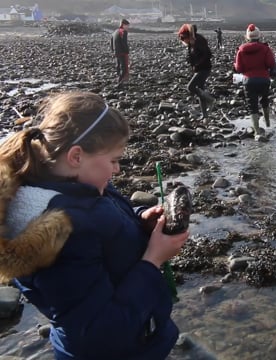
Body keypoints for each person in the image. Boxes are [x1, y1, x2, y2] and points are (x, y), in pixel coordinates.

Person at [0, 91, 189, 360]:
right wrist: (153, 260)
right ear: (76, 156)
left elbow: (106, 221)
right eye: (113, 160)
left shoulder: (76, 188)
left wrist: (140, 219)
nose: (118, 170)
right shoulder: (61, 233)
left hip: (141, 337)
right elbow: (98, 333)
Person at [234, 24, 276, 138]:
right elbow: (271, 64)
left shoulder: (241, 50)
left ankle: (257, 132)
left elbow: (239, 69)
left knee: (252, 105)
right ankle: (267, 123)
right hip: (263, 79)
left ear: (247, 37)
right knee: (264, 100)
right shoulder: (265, 48)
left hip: (249, 80)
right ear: (259, 36)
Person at [178, 23, 214, 119]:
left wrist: (197, 64)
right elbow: (191, 55)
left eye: (183, 38)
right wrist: (190, 61)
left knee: (190, 87)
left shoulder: (199, 40)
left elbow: (207, 54)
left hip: (204, 68)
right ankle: (205, 116)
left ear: (188, 35)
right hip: (199, 69)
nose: (182, 40)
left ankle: (210, 99)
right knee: (200, 90)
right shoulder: (192, 42)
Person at [110, 19, 130, 87]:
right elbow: (124, 43)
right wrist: (127, 51)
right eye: (127, 25)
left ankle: (118, 79)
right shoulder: (123, 32)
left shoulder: (115, 32)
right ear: (123, 25)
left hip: (116, 52)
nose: (128, 27)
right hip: (122, 53)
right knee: (124, 68)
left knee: (118, 66)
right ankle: (120, 82)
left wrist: (113, 50)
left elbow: (111, 42)